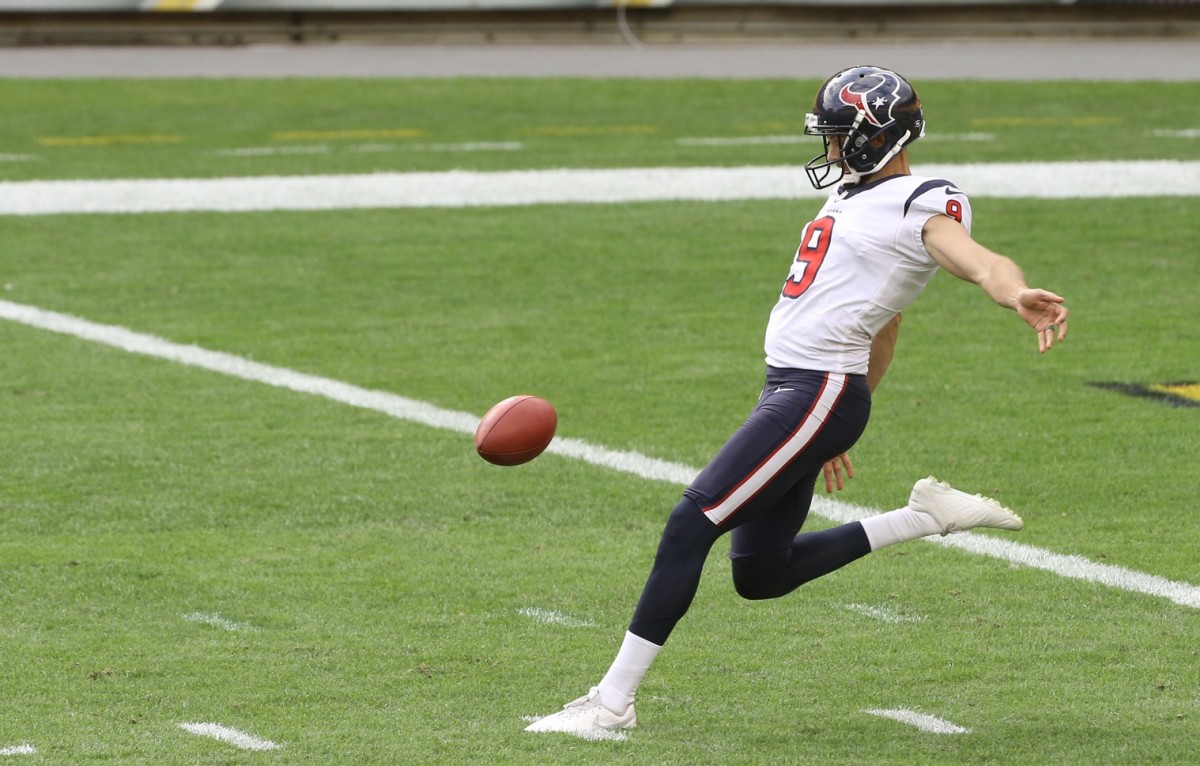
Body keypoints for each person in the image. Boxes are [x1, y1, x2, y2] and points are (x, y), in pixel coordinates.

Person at [524, 65, 1069, 737]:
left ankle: (611, 704)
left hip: (817, 389)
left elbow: (978, 259)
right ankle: (925, 517)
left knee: (690, 524)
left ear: (877, 136)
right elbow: (885, 324)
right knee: (760, 573)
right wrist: (834, 427)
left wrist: (1012, 293)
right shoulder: (853, 196)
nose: (830, 148)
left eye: (839, 136)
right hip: (805, 393)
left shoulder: (921, 200)